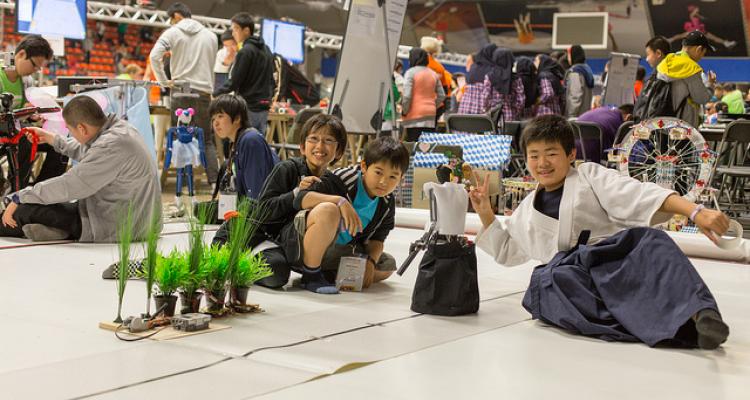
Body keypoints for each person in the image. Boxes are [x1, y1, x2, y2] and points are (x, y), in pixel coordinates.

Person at [469, 114, 731, 349]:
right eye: (534, 155)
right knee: (545, 283)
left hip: (612, 262)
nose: (542, 163)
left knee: (652, 240)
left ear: (571, 154)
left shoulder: (589, 175)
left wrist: (695, 212)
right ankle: (678, 328)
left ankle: (701, 313)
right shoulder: (528, 207)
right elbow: (508, 250)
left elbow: (638, 194)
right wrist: (484, 212)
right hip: (573, 279)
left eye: (551, 153)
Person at [0, 95, 161, 242]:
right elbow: (91, 150)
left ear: (82, 128)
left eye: (70, 130)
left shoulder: (111, 146)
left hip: (115, 226)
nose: (71, 134)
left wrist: (19, 197)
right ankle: (59, 232)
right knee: (46, 203)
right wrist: (52, 139)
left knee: (24, 210)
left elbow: (70, 185)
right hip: (130, 216)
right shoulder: (120, 131)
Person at [231, 113, 349, 289]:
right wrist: (295, 194)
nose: (320, 146)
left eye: (328, 140)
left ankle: (312, 268)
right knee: (276, 273)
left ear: (338, 151)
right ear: (302, 146)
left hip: (300, 247)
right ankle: (244, 260)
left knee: (379, 264)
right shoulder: (287, 169)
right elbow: (263, 210)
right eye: (313, 139)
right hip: (269, 239)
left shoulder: (334, 183)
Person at [285, 136, 408, 294]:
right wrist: (339, 201)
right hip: (303, 244)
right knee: (328, 210)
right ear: (364, 167)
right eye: (378, 172)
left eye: (393, 177)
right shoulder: (343, 178)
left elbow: (378, 238)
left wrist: (370, 262)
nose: (384, 182)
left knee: (387, 265)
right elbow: (301, 198)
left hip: (340, 251)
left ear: (401, 178)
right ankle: (311, 275)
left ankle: (330, 274)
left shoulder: (386, 202)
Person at [149, 2, 220, 184]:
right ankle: (215, 182)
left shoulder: (172, 33)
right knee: (207, 140)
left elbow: (154, 56)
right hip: (203, 92)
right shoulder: (211, 36)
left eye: (171, 20)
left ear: (176, 16)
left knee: (181, 139)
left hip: (180, 90)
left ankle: (182, 184)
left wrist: (164, 82)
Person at [2, 35, 65, 192]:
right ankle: (16, 193)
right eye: (35, 65)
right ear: (21, 54)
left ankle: (42, 192)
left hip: (16, 129)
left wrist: (32, 115)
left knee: (60, 143)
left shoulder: (26, 81)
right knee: (27, 139)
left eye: (39, 68)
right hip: (7, 133)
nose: (36, 70)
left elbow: (23, 111)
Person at [214, 12, 275, 136]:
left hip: (248, 106)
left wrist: (215, 93)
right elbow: (272, 80)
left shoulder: (245, 52)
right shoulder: (267, 49)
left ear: (246, 30)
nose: (233, 33)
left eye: (235, 29)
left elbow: (235, 81)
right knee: (258, 142)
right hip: (263, 106)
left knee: (244, 141)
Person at [210, 94, 279, 200]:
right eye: (213, 118)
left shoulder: (250, 140)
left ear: (237, 118)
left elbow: (256, 193)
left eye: (220, 116)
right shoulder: (236, 142)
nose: (216, 123)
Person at [656, 31, 716, 128]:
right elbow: (702, 98)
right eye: (703, 53)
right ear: (699, 49)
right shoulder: (690, 68)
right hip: (682, 127)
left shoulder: (666, 62)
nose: (701, 57)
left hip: (662, 122)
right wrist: (710, 84)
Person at [402, 48, 445, 141]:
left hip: (414, 115)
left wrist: (404, 110)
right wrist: (432, 105)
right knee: (427, 145)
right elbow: (442, 95)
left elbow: (407, 96)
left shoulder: (410, 73)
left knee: (414, 143)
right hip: (430, 115)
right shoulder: (433, 74)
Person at [481, 47, 525, 122]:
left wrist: (485, 109)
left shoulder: (489, 77)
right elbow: (521, 100)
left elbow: (486, 96)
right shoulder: (516, 78)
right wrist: (516, 111)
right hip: (510, 116)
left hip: (492, 116)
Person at [458, 44, 496, 115]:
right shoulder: (493, 71)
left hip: (464, 110)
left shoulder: (473, 68)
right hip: (482, 112)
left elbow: (459, 97)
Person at [564, 45, 594, 118]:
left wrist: (571, 115)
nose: (567, 58)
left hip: (576, 116)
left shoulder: (575, 72)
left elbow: (575, 95)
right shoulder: (587, 70)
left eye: (568, 56)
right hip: (585, 115)